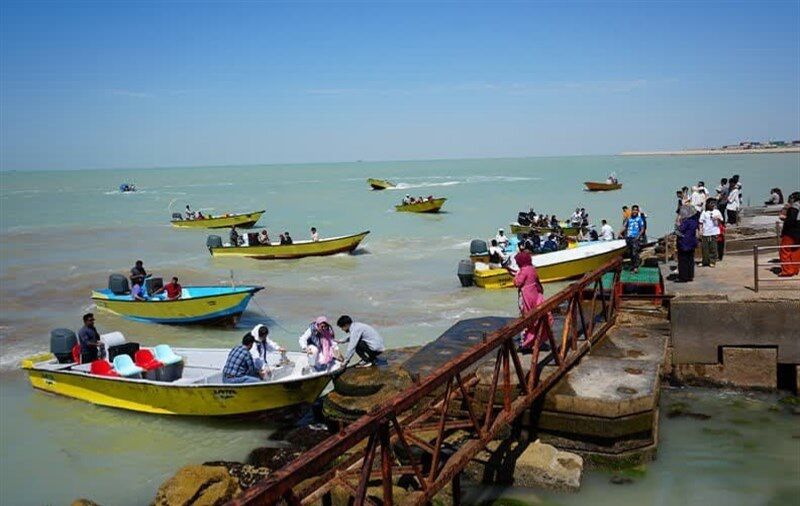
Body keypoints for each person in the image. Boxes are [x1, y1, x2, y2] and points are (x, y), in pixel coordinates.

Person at [513, 251, 552, 351]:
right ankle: (537, 340)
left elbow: (518, 283)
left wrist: (515, 276)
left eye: (517, 262)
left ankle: (526, 343)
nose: (517, 263)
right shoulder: (532, 269)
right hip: (535, 295)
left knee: (526, 319)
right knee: (536, 319)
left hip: (526, 297)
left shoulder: (523, 270)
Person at [778, 192, 800, 277]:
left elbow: (791, 220)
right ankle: (795, 269)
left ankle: (787, 271)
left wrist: (784, 218)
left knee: (784, 251)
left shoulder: (794, 207)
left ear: (794, 198)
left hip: (791, 232)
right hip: (798, 233)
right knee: (796, 251)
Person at [675, 206, 699, 282]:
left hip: (684, 243)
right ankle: (690, 276)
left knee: (683, 260)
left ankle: (683, 277)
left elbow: (679, 231)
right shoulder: (694, 221)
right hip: (691, 242)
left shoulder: (686, 222)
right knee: (690, 260)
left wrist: (677, 223)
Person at [699, 199, 723, 267]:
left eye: (714, 203)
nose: (713, 205)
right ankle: (705, 261)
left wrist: (717, 218)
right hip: (705, 232)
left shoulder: (717, 211)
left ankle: (712, 261)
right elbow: (701, 222)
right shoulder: (704, 212)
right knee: (705, 248)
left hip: (714, 231)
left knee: (713, 247)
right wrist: (700, 230)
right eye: (711, 203)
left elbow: (721, 220)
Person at [623, 205, 645, 273]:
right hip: (628, 238)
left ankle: (636, 267)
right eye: (633, 210)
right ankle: (633, 266)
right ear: (631, 211)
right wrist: (623, 234)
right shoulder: (629, 219)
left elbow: (642, 229)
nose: (634, 211)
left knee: (634, 253)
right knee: (630, 253)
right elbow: (625, 227)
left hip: (635, 238)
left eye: (636, 210)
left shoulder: (639, 219)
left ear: (638, 211)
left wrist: (638, 236)